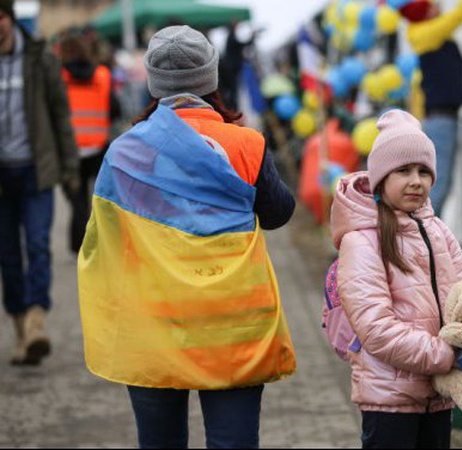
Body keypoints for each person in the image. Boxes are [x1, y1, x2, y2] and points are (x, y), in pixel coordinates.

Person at [77, 25, 296, 448]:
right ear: (210, 76)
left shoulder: (123, 153)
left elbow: (103, 237)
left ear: (154, 82)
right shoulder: (247, 144)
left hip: (154, 323)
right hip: (234, 325)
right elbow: (279, 213)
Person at [329, 109, 462, 448]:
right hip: (390, 399)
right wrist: (448, 355)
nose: (416, 180)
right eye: (403, 170)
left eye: (424, 171)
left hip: (439, 395)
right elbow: (376, 328)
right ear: (380, 178)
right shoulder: (362, 241)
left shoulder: (438, 230)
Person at [0, 0, 79, 366]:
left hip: (36, 169)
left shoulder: (40, 58)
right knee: (7, 255)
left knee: (37, 245)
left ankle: (36, 322)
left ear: (10, 19)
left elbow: (61, 114)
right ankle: (20, 329)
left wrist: (70, 167)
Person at [404, 0, 462, 215]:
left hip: (441, 118)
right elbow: (457, 16)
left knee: (440, 180)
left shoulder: (424, 33)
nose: (438, 7)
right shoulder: (428, 34)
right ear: (426, 14)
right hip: (441, 119)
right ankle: (423, 228)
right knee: (439, 181)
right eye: (432, 6)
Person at [59, 35, 121, 255]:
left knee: (78, 201)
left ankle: (78, 244)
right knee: (102, 198)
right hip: (98, 146)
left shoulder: (60, 76)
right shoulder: (102, 75)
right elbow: (115, 109)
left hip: (70, 150)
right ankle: (101, 242)